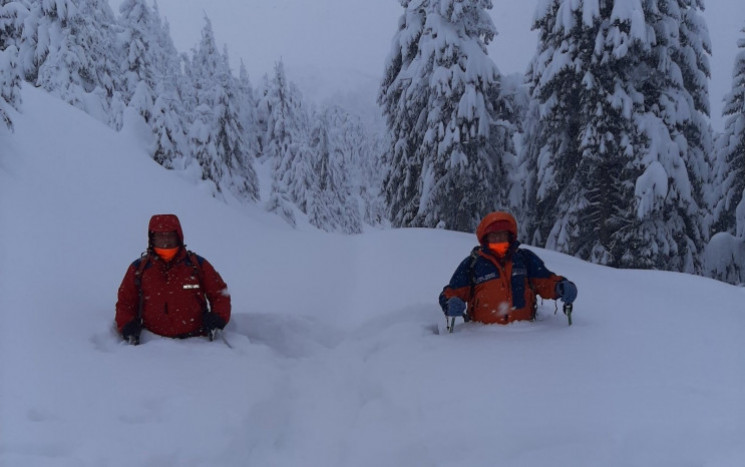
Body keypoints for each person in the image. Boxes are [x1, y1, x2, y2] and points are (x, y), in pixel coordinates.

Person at [439, 211, 577, 325]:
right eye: (494, 235)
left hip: (527, 337)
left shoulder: (525, 259)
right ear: (485, 238)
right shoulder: (473, 264)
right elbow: (450, 292)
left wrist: (561, 287)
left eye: (502, 234)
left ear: (510, 236)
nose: (498, 238)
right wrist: (450, 303)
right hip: (481, 339)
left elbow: (545, 282)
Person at [116, 214, 231, 344]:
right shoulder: (139, 269)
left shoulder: (197, 265)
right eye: (160, 236)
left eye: (170, 235)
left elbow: (220, 294)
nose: (166, 241)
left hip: (198, 343)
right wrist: (127, 325)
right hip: (151, 344)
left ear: (179, 237)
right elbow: (125, 302)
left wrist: (218, 317)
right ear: (151, 239)